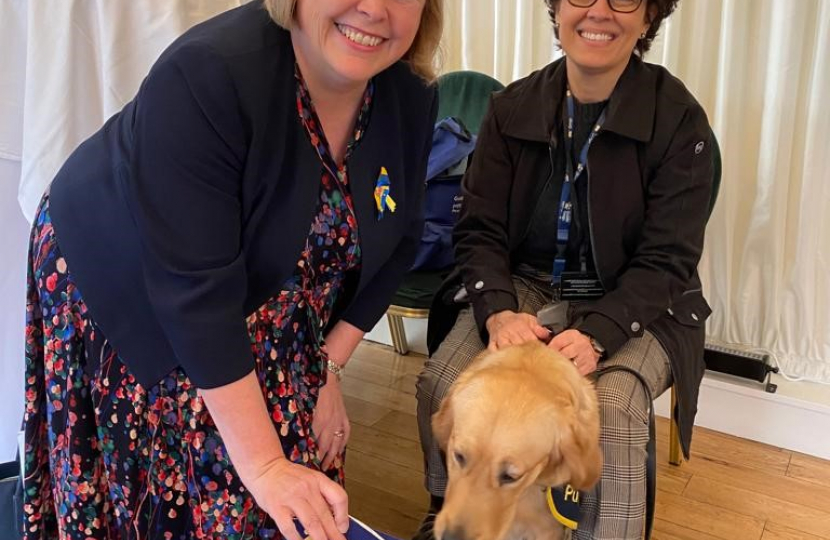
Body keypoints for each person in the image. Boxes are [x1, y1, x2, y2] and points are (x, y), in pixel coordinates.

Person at [21, 0, 442, 538]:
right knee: (182, 482)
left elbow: (400, 240)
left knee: (289, 479)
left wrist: (328, 368)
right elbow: (196, 295)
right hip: (124, 276)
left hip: (253, 289)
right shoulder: (207, 72)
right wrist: (264, 465)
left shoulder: (410, 95)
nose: (374, 8)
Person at [414, 0, 713, 538]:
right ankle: (447, 508)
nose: (598, 10)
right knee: (442, 382)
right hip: (526, 284)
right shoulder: (511, 108)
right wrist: (498, 311)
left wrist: (599, 334)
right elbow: (479, 229)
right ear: (557, 8)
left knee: (613, 411)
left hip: (637, 300)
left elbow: (668, 260)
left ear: (648, 17)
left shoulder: (679, 120)